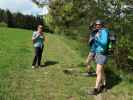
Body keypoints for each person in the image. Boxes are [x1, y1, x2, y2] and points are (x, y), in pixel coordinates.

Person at [88, 20, 109, 95]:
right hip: (98, 53)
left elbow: (104, 43)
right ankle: (104, 85)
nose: (97, 26)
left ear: (102, 25)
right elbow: (97, 43)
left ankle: (96, 89)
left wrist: (98, 38)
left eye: (99, 24)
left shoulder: (104, 32)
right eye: (96, 24)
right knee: (102, 71)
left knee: (98, 72)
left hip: (102, 54)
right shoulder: (99, 31)